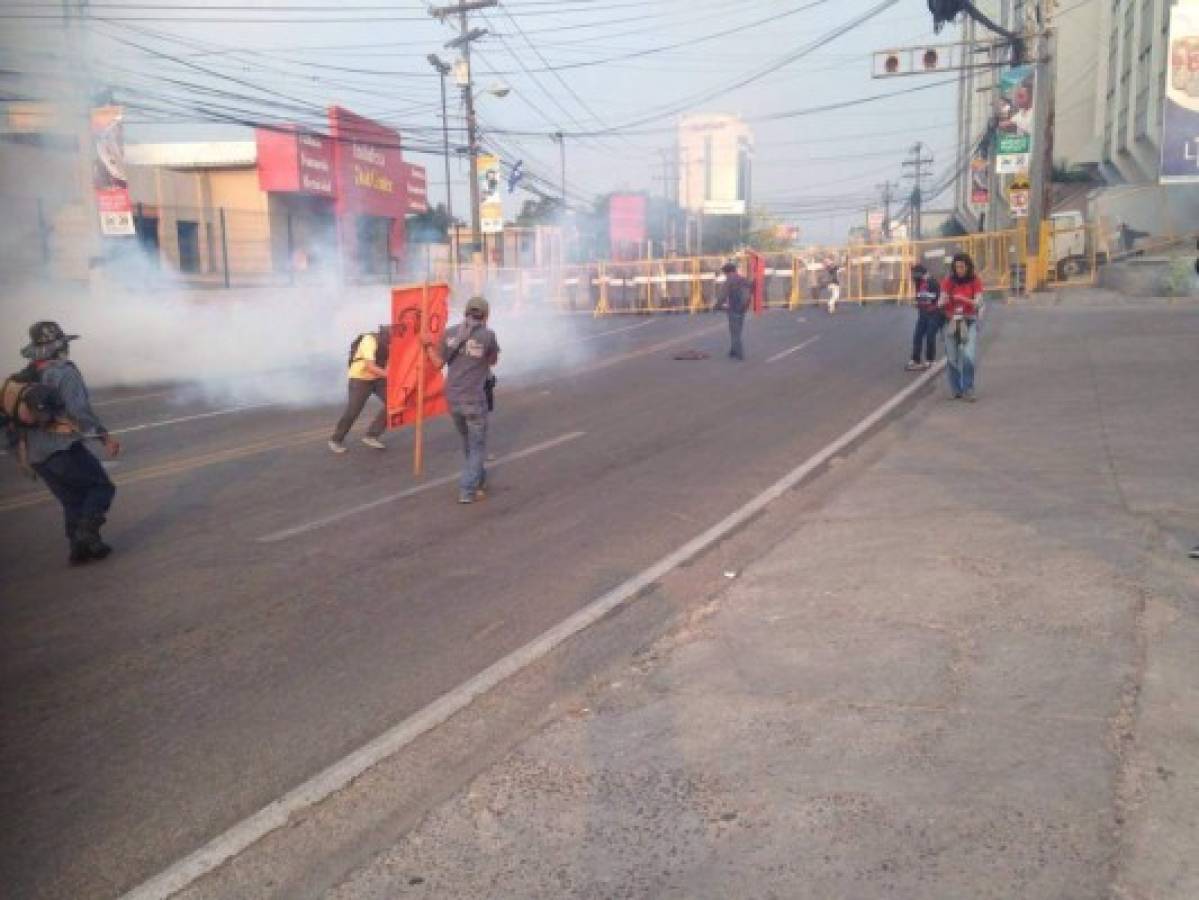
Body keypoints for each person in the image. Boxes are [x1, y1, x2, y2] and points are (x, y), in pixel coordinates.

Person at [15, 321, 121, 565]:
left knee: (73, 500)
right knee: (101, 487)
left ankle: (81, 550)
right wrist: (105, 438)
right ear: (59, 346)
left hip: (38, 455)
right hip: (62, 449)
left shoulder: (29, 372)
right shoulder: (64, 372)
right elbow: (80, 412)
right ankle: (87, 534)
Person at [426, 296, 500, 504]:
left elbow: (438, 363)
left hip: (452, 399)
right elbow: (493, 361)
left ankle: (478, 479)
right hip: (474, 399)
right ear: (486, 315)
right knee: (477, 446)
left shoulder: (449, 334)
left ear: (466, 313)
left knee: (468, 441)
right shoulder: (488, 336)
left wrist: (427, 346)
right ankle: (467, 489)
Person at [329, 324, 391, 453]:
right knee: (353, 410)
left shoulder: (390, 343)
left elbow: (389, 363)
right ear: (382, 335)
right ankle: (336, 439)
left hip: (378, 378)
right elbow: (370, 366)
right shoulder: (369, 340)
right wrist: (390, 375)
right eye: (389, 338)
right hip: (360, 378)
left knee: (393, 402)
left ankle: (371, 435)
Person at [938, 252, 984, 401]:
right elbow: (941, 300)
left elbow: (978, 302)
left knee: (968, 356)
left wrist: (963, 299)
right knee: (952, 358)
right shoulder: (948, 281)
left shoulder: (975, 281)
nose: (959, 270)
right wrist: (943, 301)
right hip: (951, 322)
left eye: (962, 267)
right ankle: (956, 389)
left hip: (969, 320)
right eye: (957, 267)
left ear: (968, 267)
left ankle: (968, 388)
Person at [905, 263, 942, 370]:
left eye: (915, 274)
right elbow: (919, 297)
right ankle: (915, 360)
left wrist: (920, 300)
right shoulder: (918, 282)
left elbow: (935, 297)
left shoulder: (932, 282)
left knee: (930, 336)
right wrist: (917, 302)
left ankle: (930, 360)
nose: (913, 277)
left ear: (921, 273)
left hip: (934, 313)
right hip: (923, 313)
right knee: (917, 336)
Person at [715, 261, 751, 360]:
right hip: (743, 308)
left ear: (727, 272)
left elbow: (723, 295)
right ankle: (733, 350)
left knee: (735, 332)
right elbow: (750, 290)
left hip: (733, 308)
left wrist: (717, 306)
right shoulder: (743, 279)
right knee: (738, 330)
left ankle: (739, 354)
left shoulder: (729, 281)